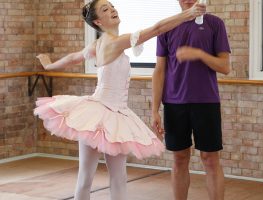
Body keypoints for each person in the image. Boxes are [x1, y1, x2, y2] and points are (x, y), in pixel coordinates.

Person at [35, 0, 206, 200]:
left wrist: (50, 66)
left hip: (116, 115)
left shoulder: (99, 44)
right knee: (92, 177)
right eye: (105, 10)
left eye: (112, 6)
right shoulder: (114, 42)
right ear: (98, 22)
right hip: (98, 113)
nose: (112, 10)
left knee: (109, 177)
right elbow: (157, 28)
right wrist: (188, 14)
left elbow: (74, 57)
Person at [152, 0, 231, 200]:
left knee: (210, 159)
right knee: (179, 158)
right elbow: (159, 70)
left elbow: (225, 66)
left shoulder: (215, 24)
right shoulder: (166, 26)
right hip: (174, 104)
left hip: (206, 102)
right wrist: (154, 110)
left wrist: (198, 54)